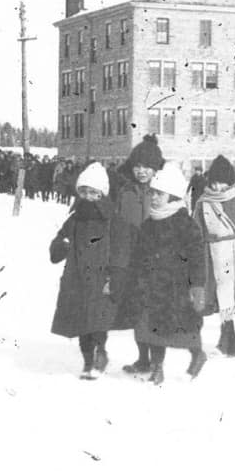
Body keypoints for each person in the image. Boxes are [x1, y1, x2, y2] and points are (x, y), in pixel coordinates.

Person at [49, 163, 131, 379]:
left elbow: (120, 250)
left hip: (101, 277)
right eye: (83, 191)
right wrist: (61, 245)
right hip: (76, 278)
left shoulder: (113, 219)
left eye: (92, 192)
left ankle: (100, 355)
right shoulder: (74, 218)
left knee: (97, 323)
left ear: (102, 193)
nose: (87, 196)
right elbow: (57, 245)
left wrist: (116, 276)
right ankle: (88, 360)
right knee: (80, 322)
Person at [128, 163, 208, 385]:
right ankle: (157, 368)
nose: (153, 198)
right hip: (152, 285)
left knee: (184, 331)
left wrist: (198, 286)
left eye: (159, 194)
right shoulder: (149, 223)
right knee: (152, 329)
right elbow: (139, 254)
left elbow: (197, 258)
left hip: (177, 288)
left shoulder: (185, 223)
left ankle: (197, 356)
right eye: (152, 193)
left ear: (172, 196)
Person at [193, 155, 235, 358]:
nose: (217, 186)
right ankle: (230, 344)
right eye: (213, 181)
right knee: (213, 299)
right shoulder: (202, 203)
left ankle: (227, 343)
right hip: (208, 256)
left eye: (221, 181)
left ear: (230, 182)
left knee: (228, 298)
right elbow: (194, 230)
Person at [114, 135, 165, 375]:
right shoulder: (124, 191)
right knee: (137, 313)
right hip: (131, 262)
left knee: (154, 314)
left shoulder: (164, 193)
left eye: (147, 166)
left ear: (156, 168)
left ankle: (157, 363)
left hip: (157, 262)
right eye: (137, 165)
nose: (141, 171)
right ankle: (143, 359)